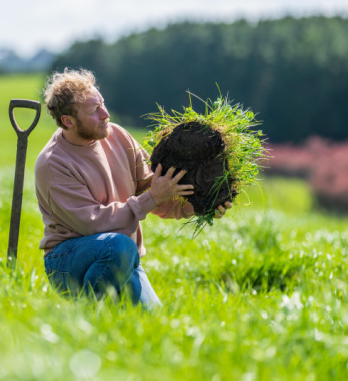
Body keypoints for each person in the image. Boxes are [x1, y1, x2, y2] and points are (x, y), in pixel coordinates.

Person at [34, 68, 231, 308]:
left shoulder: (118, 136)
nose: (105, 114)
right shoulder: (53, 163)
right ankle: (84, 319)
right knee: (118, 245)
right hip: (68, 261)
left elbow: (158, 191)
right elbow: (92, 223)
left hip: (122, 257)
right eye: (94, 111)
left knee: (155, 327)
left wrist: (201, 205)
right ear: (68, 121)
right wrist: (151, 198)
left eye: (102, 104)